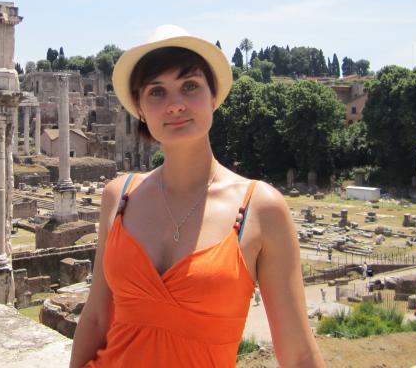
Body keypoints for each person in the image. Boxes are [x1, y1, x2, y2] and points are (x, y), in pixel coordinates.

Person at [70, 25, 325, 368]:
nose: (175, 105)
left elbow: (299, 355)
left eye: (189, 86)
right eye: (156, 92)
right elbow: (96, 319)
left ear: (214, 96)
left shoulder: (261, 209)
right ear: (140, 109)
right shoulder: (118, 196)